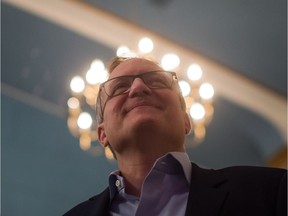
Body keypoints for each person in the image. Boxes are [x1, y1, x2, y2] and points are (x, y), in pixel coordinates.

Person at [64, 56, 287, 216]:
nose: (139, 87)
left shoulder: (272, 190)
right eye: (120, 87)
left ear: (186, 120)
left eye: (157, 81)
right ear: (102, 134)